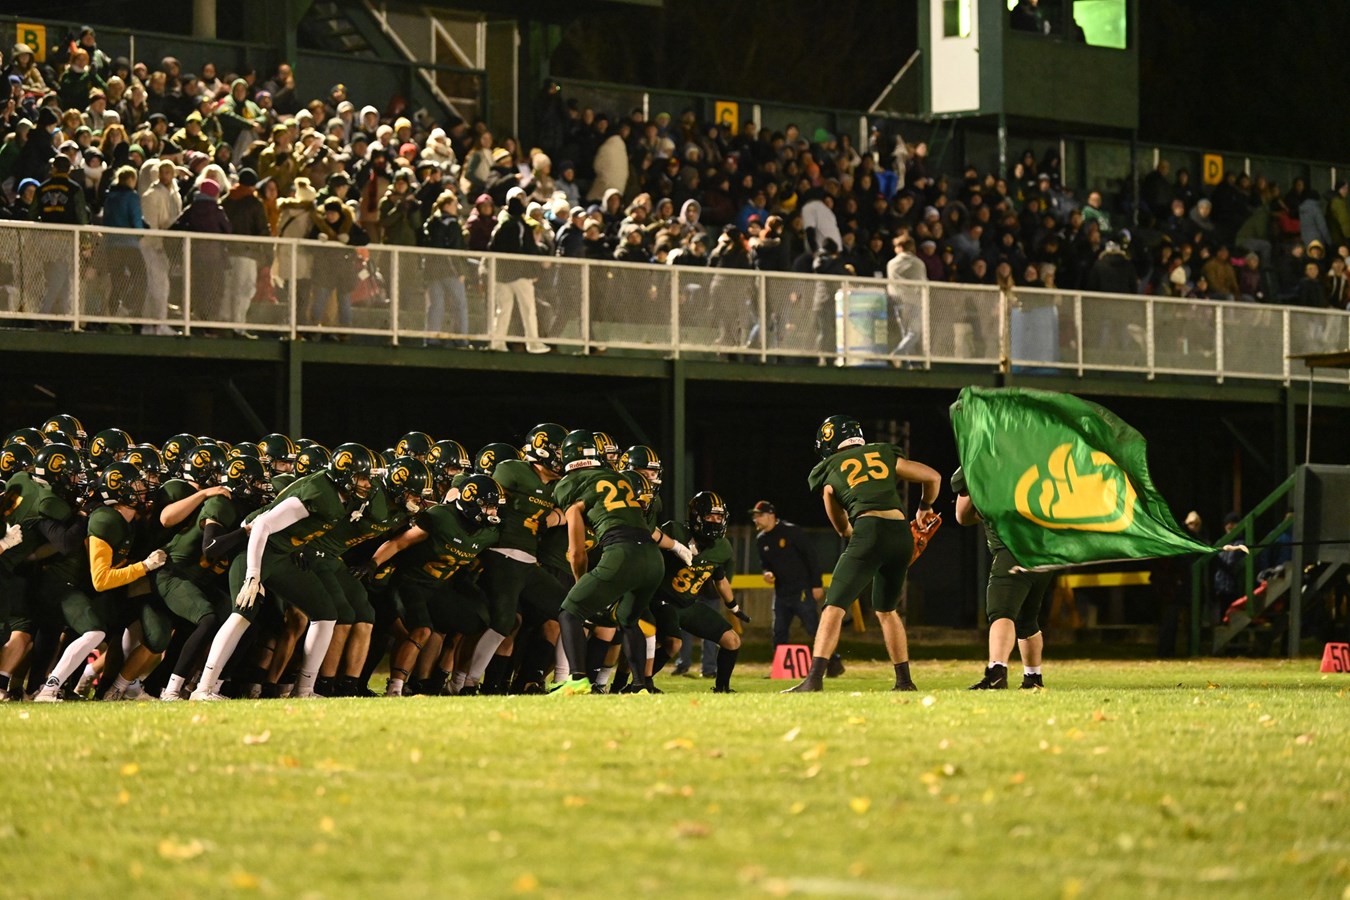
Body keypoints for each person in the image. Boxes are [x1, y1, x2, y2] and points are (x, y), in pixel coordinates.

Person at [785, 415, 940, 693]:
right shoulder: (883, 452)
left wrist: (859, 536)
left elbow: (841, 525)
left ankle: (814, 680)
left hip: (869, 531)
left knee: (833, 606)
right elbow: (933, 477)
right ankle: (904, 681)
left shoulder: (828, 468)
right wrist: (925, 506)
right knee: (887, 611)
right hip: (901, 533)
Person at [951, 467, 1051, 690]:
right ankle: (1033, 678)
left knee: (1001, 611)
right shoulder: (1035, 454)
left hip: (1012, 549)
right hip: (1046, 548)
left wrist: (986, 508)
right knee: (1028, 619)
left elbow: (962, 516)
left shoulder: (979, 459)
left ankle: (997, 672)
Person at [749, 499, 844, 677]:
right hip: (781, 593)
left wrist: (817, 584)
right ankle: (780, 668)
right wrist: (767, 572)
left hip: (801, 590)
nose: (756, 520)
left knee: (813, 628)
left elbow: (811, 558)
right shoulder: (761, 540)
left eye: (759, 516)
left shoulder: (792, 532)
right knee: (778, 632)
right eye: (754, 517)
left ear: (771, 515)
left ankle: (834, 662)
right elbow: (765, 564)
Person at [487, 186, 550, 353]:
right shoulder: (521, 225)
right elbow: (529, 248)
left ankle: (497, 342)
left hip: (501, 275)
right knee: (528, 309)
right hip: (520, 275)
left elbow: (491, 248)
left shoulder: (501, 225)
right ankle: (533, 343)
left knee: (503, 310)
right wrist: (537, 267)